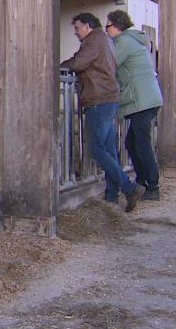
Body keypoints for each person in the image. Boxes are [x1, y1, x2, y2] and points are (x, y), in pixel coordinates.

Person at [62, 13, 145, 212]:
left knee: (96, 149)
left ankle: (129, 187)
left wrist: (55, 68)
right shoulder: (105, 40)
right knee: (108, 149)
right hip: (109, 98)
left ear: (88, 26)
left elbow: (78, 62)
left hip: (98, 100)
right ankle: (111, 196)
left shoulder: (94, 41)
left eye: (78, 28)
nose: (76, 32)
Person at [105, 10, 163, 201]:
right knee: (133, 142)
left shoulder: (124, 43)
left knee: (141, 142)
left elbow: (109, 64)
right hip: (146, 98)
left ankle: (152, 185)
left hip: (141, 100)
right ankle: (143, 181)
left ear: (116, 26)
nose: (107, 31)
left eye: (108, 27)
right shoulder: (132, 40)